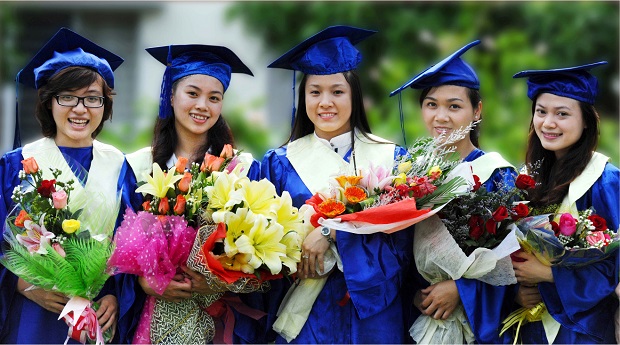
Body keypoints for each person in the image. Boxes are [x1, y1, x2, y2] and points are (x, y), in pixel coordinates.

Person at [260, 25, 412, 344]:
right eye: (315, 92)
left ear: (354, 96)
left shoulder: (391, 159)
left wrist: (331, 234)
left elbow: (403, 249)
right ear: (303, 98)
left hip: (372, 312)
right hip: (304, 312)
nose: (325, 102)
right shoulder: (279, 162)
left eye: (337, 92)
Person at [122, 44, 261, 343]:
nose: (203, 106)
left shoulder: (242, 168)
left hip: (219, 317)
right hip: (152, 317)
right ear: (171, 97)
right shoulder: (138, 166)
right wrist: (144, 281)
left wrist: (217, 282)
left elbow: (257, 255)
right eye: (193, 93)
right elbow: (114, 247)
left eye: (214, 98)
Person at [0, 27, 131, 343]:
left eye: (92, 99)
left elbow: (129, 242)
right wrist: (24, 285)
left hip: (98, 314)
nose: (80, 109)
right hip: (36, 315)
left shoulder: (118, 165)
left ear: (105, 106)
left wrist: (114, 294)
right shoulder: (16, 164)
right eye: (68, 97)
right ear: (49, 102)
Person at [390, 40, 518, 344]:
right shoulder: (408, 174)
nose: (441, 117)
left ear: (477, 111)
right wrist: (413, 293)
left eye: (454, 106)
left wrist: (461, 289)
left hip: (476, 326)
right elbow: (396, 253)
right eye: (431, 104)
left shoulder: (497, 175)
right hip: (420, 317)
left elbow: (515, 264)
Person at [510, 61, 618, 344]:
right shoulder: (528, 179)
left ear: (586, 120)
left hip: (584, 329)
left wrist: (549, 274)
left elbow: (615, 268)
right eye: (541, 112)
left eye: (562, 114)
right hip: (533, 325)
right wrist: (517, 289)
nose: (548, 123)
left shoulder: (605, 181)